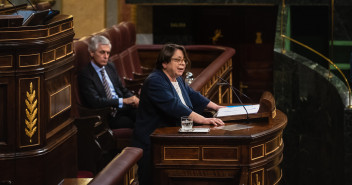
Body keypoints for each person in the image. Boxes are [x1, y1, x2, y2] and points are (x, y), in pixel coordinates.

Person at [133, 43, 225, 185]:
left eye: (184, 60)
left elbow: (193, 95)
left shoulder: (177, 79)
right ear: (164, 63)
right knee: (152, 180)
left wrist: (217, 107)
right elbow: (175, 107)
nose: (182, 64)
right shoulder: (155, 81)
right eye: (177, 60)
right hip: (153, 141)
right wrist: (204, 120)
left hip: (172, 136)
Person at [78, 35, 139, 129]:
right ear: (91, 53)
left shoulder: (110, 66)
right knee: (131, 123)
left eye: (108, 53)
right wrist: (123, 101)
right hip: (107, 114)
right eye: (102, 52)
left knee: (145, 114)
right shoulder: (86, 74)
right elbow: (95, 102)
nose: (106, 56)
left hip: (122, 108)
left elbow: (121, 88)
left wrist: (133, 99)